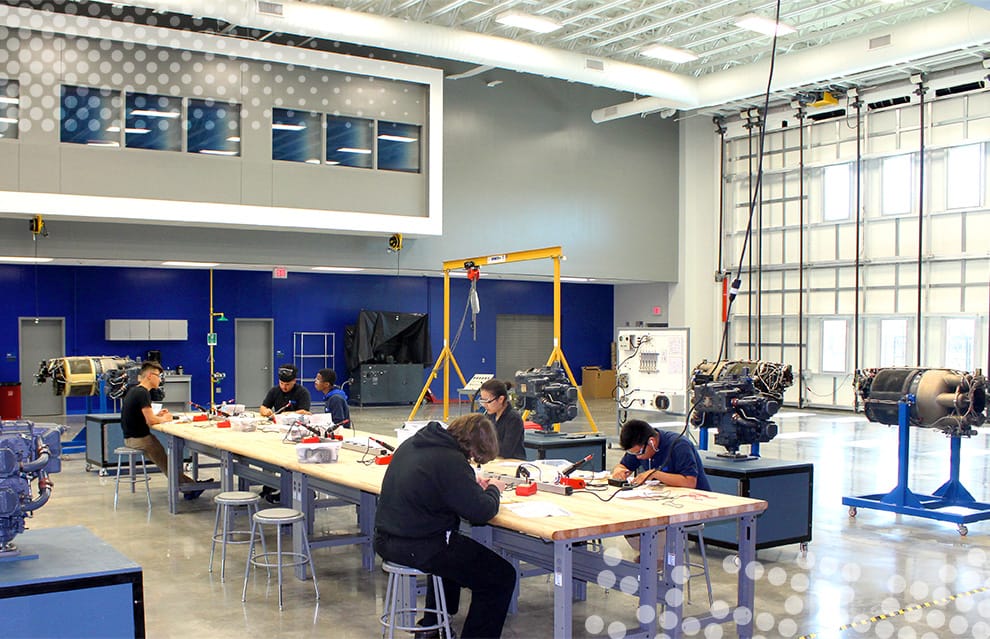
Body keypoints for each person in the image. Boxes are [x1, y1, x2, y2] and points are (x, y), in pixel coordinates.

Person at [374, 414, 516, 639]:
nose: (471, 460)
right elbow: (480, 513)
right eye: (474, 456)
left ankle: (433, 625)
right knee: (501, 577)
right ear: (471, 446)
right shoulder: (451, 460)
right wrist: (494, 489)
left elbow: (437, 487)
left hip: (386, 539)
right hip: (419, 546)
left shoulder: (413, 444)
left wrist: (467, 483)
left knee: (454, 548)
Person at [120, 360, 209, 500]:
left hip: (132, 437)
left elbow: (144, 415)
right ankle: (189, 488)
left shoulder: (135, 391)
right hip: (139, 439)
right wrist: (165, 419)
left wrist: (158, 416)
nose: (160, 379)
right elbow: (150, 421)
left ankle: (190, 485)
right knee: (166, 463)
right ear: (149, 376)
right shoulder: (142, 393)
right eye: (158, 376)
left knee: (166, 461)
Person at [258, 363, 312, 503]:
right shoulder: (274, 391)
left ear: (294, 381)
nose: (284, 387)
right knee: (268, 455)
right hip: (278, 431)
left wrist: (290, 413)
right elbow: (263, 407)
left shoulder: (302, 392)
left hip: (297, 433)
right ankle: (269, 485)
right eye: (282, 383)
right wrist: (266, 411)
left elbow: (305, 411)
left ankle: (302, 490)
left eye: (287, 384)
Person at [611, 418, 711, 490]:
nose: (638, 457)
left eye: (639, 453)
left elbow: (689, 482)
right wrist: (619, 471)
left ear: (652, 442)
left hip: (695, 501)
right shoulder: (639, 446)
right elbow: (624, 465)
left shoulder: (679, 445)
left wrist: (655, 474)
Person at [478, 378, 526, 460]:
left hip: (512, 463)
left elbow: (506, 451)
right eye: (482, 401)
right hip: (495, 460)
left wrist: (484, 444)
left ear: (500, 399)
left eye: (488, 402)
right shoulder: (489, 415)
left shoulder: (513, 418)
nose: (485, 405)